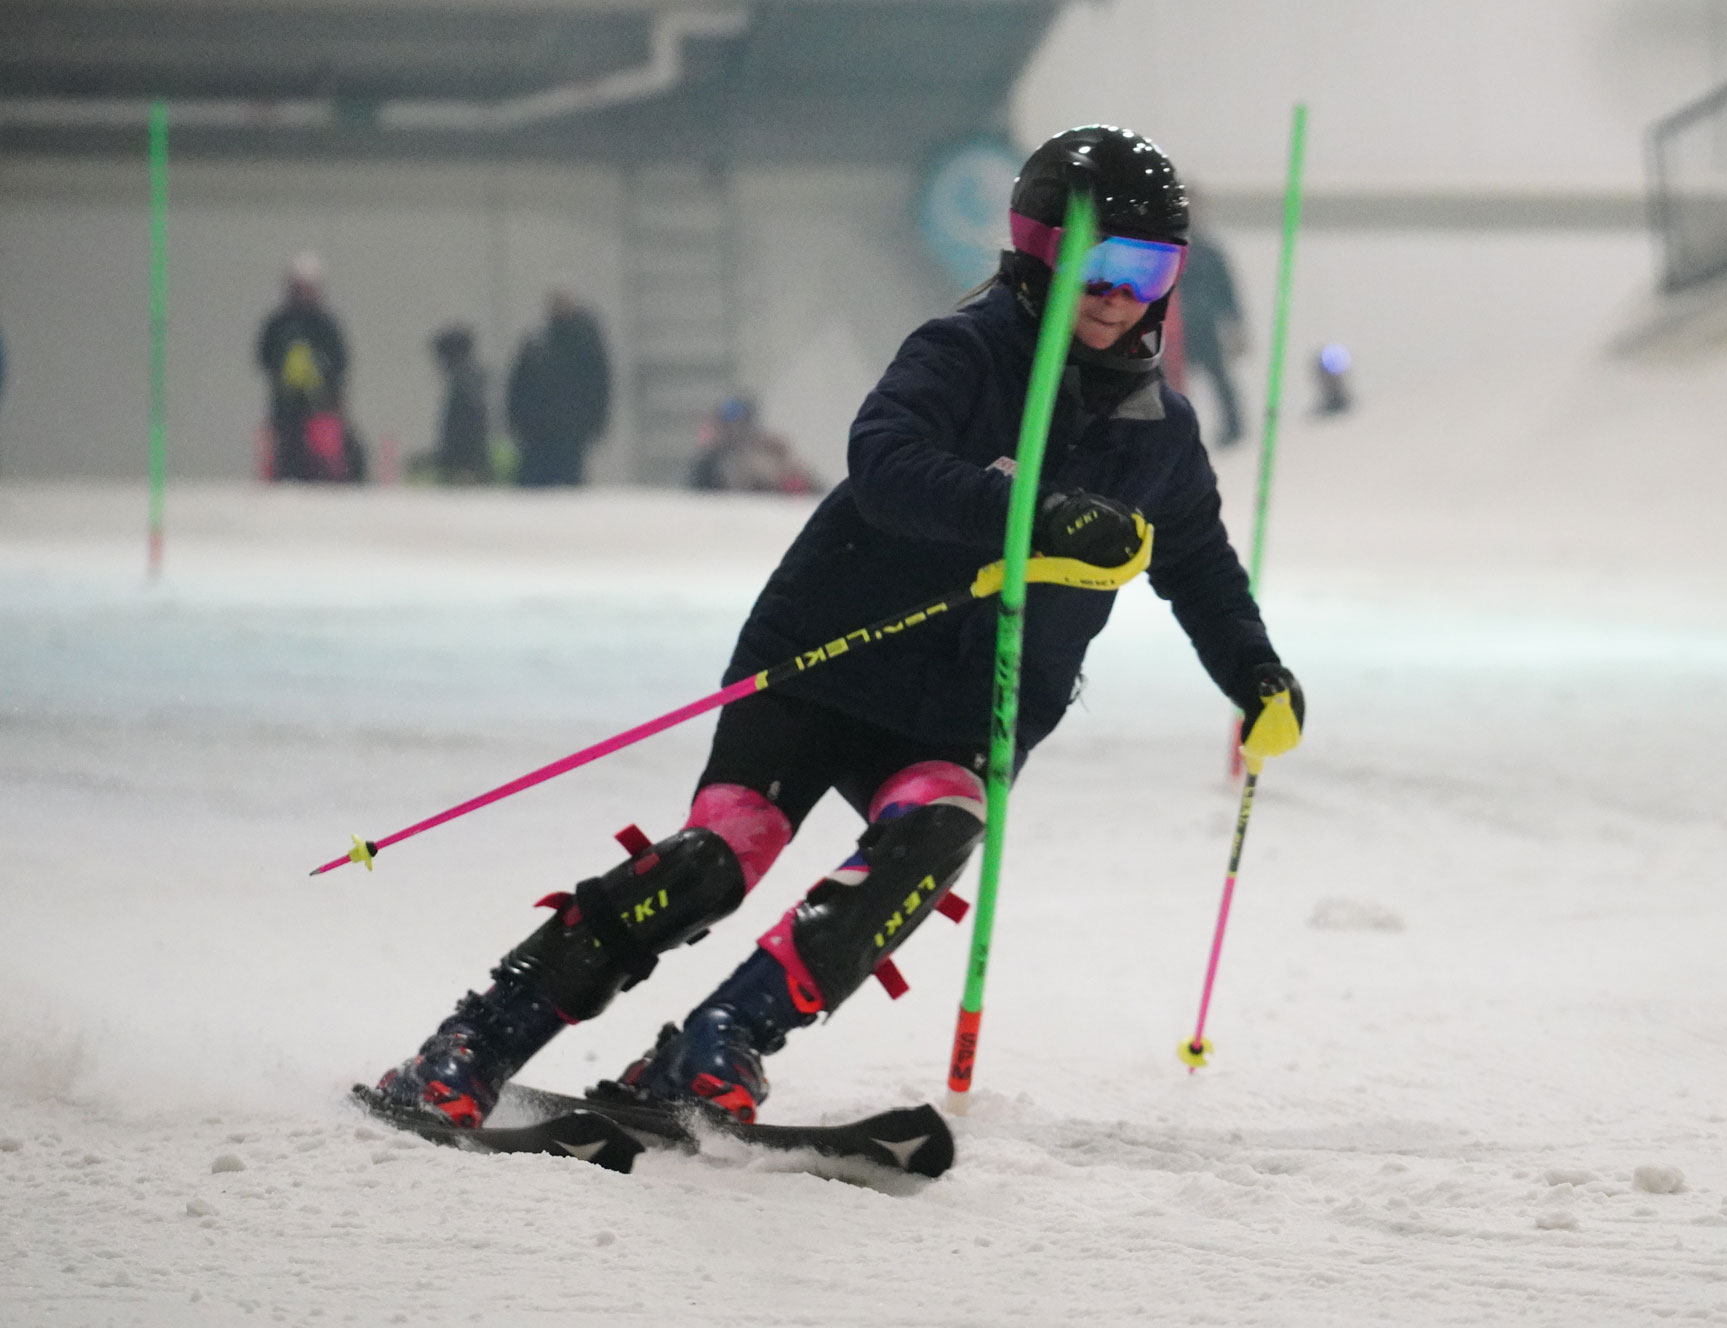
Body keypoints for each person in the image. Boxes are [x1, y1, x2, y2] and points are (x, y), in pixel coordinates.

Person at [366, 125, 1305, 1131]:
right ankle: (475, 1039)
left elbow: (1199, 568)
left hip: (967, 703)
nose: (1120, 294)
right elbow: (885, 462)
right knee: (716, 861)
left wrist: (1254, 673)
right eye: (1099, 263)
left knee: (930, 837)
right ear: (1039, 253)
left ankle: (718, 1042)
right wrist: (1033, 512)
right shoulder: (965, 351)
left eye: (1148, 269)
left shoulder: (1158, 431)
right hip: (830, 655)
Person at [257, 253, 366, 482]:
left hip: (321, 406)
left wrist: (333, 397)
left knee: (324, 459)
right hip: (285, 405)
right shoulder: (278, 324)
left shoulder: (325, 325)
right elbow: (265, 359)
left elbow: (340, 363)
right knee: (286, 456)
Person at [505, 290, 610, 487]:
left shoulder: (580, 346)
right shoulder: (539, 346)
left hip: (563, 434)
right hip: (542, 434)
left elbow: (597, 390)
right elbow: (519, 389)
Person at [1175, 203, 1247, 447]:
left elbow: (1227, 291)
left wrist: (1235, 326)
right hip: (1176, 330)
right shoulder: (1169, 249)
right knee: (1171, 383)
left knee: (1219, 379)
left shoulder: (1209, 252)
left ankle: (1234, 430)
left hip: (1205, 327)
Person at [689, 395, 822, 494]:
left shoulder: (772, 452)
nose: (736, 430)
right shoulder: (709, 463)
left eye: (741, 424)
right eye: (730, 425)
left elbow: (813, 490)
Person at [419, 324, 492, 485]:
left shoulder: (463, 385)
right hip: (469, 462)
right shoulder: (471, 379)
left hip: (464, 466)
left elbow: (466, 429)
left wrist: (463, 463)